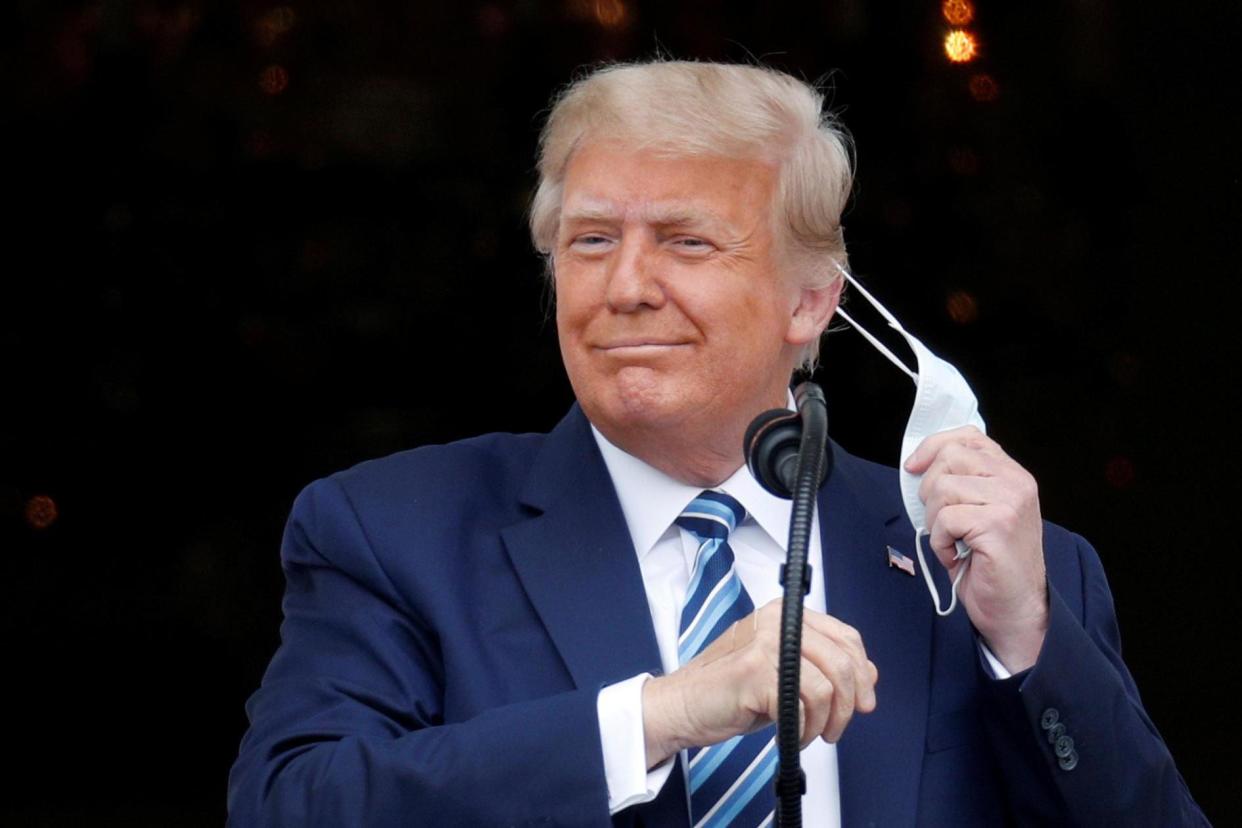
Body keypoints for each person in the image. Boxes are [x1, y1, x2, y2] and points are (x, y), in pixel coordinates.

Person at [227, 61, 1206, 826]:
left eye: (687, 242)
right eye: (593, 240)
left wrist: (1026, 642)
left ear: (811, 300)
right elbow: (290, 805)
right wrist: (658, 717)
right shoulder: (393, 530)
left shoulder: (1001, 571)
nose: (627, 286)